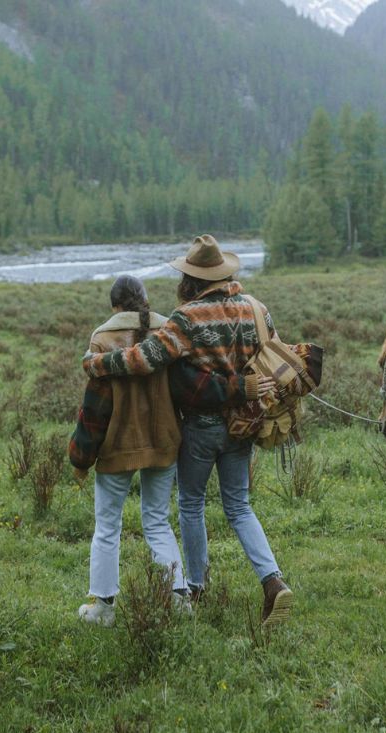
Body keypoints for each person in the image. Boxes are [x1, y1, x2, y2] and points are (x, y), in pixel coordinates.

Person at [82, 235, 296, 627]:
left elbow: (144, 357)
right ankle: (273, 580)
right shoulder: (254, 308)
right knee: (239, 506)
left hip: (201, 427)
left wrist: (98, 364)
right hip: (244, 424)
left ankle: (195, 587)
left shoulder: (188, 317)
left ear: (191, 280)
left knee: (191, 504)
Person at [67, 275, 242, 627]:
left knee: (107, 526)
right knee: (158, 521)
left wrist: (81, 457)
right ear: (144, 299)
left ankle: (103, 607)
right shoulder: (169, 329)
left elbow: (96, 407)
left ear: (115, 305)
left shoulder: (102, 337)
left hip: (118, 445)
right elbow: (186, 388)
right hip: (165, 440)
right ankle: (178, 599)